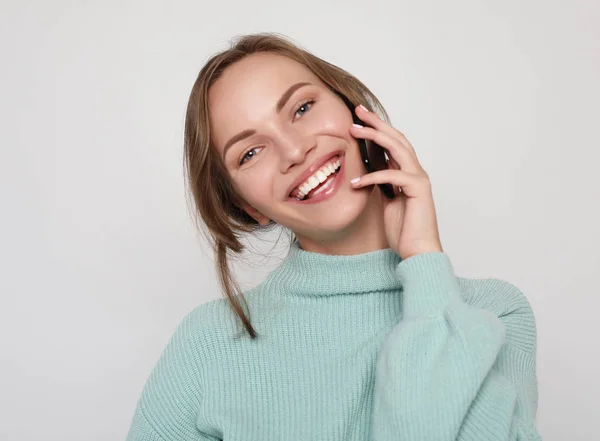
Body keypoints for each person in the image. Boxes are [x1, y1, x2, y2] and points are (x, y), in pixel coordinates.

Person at [125, 32, 541, 441]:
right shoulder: (206, 345)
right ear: (246, 205)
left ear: (353, 111)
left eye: (302, 107)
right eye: (250, 153)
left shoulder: (494, 314)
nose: (293, 151)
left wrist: (424, 261)